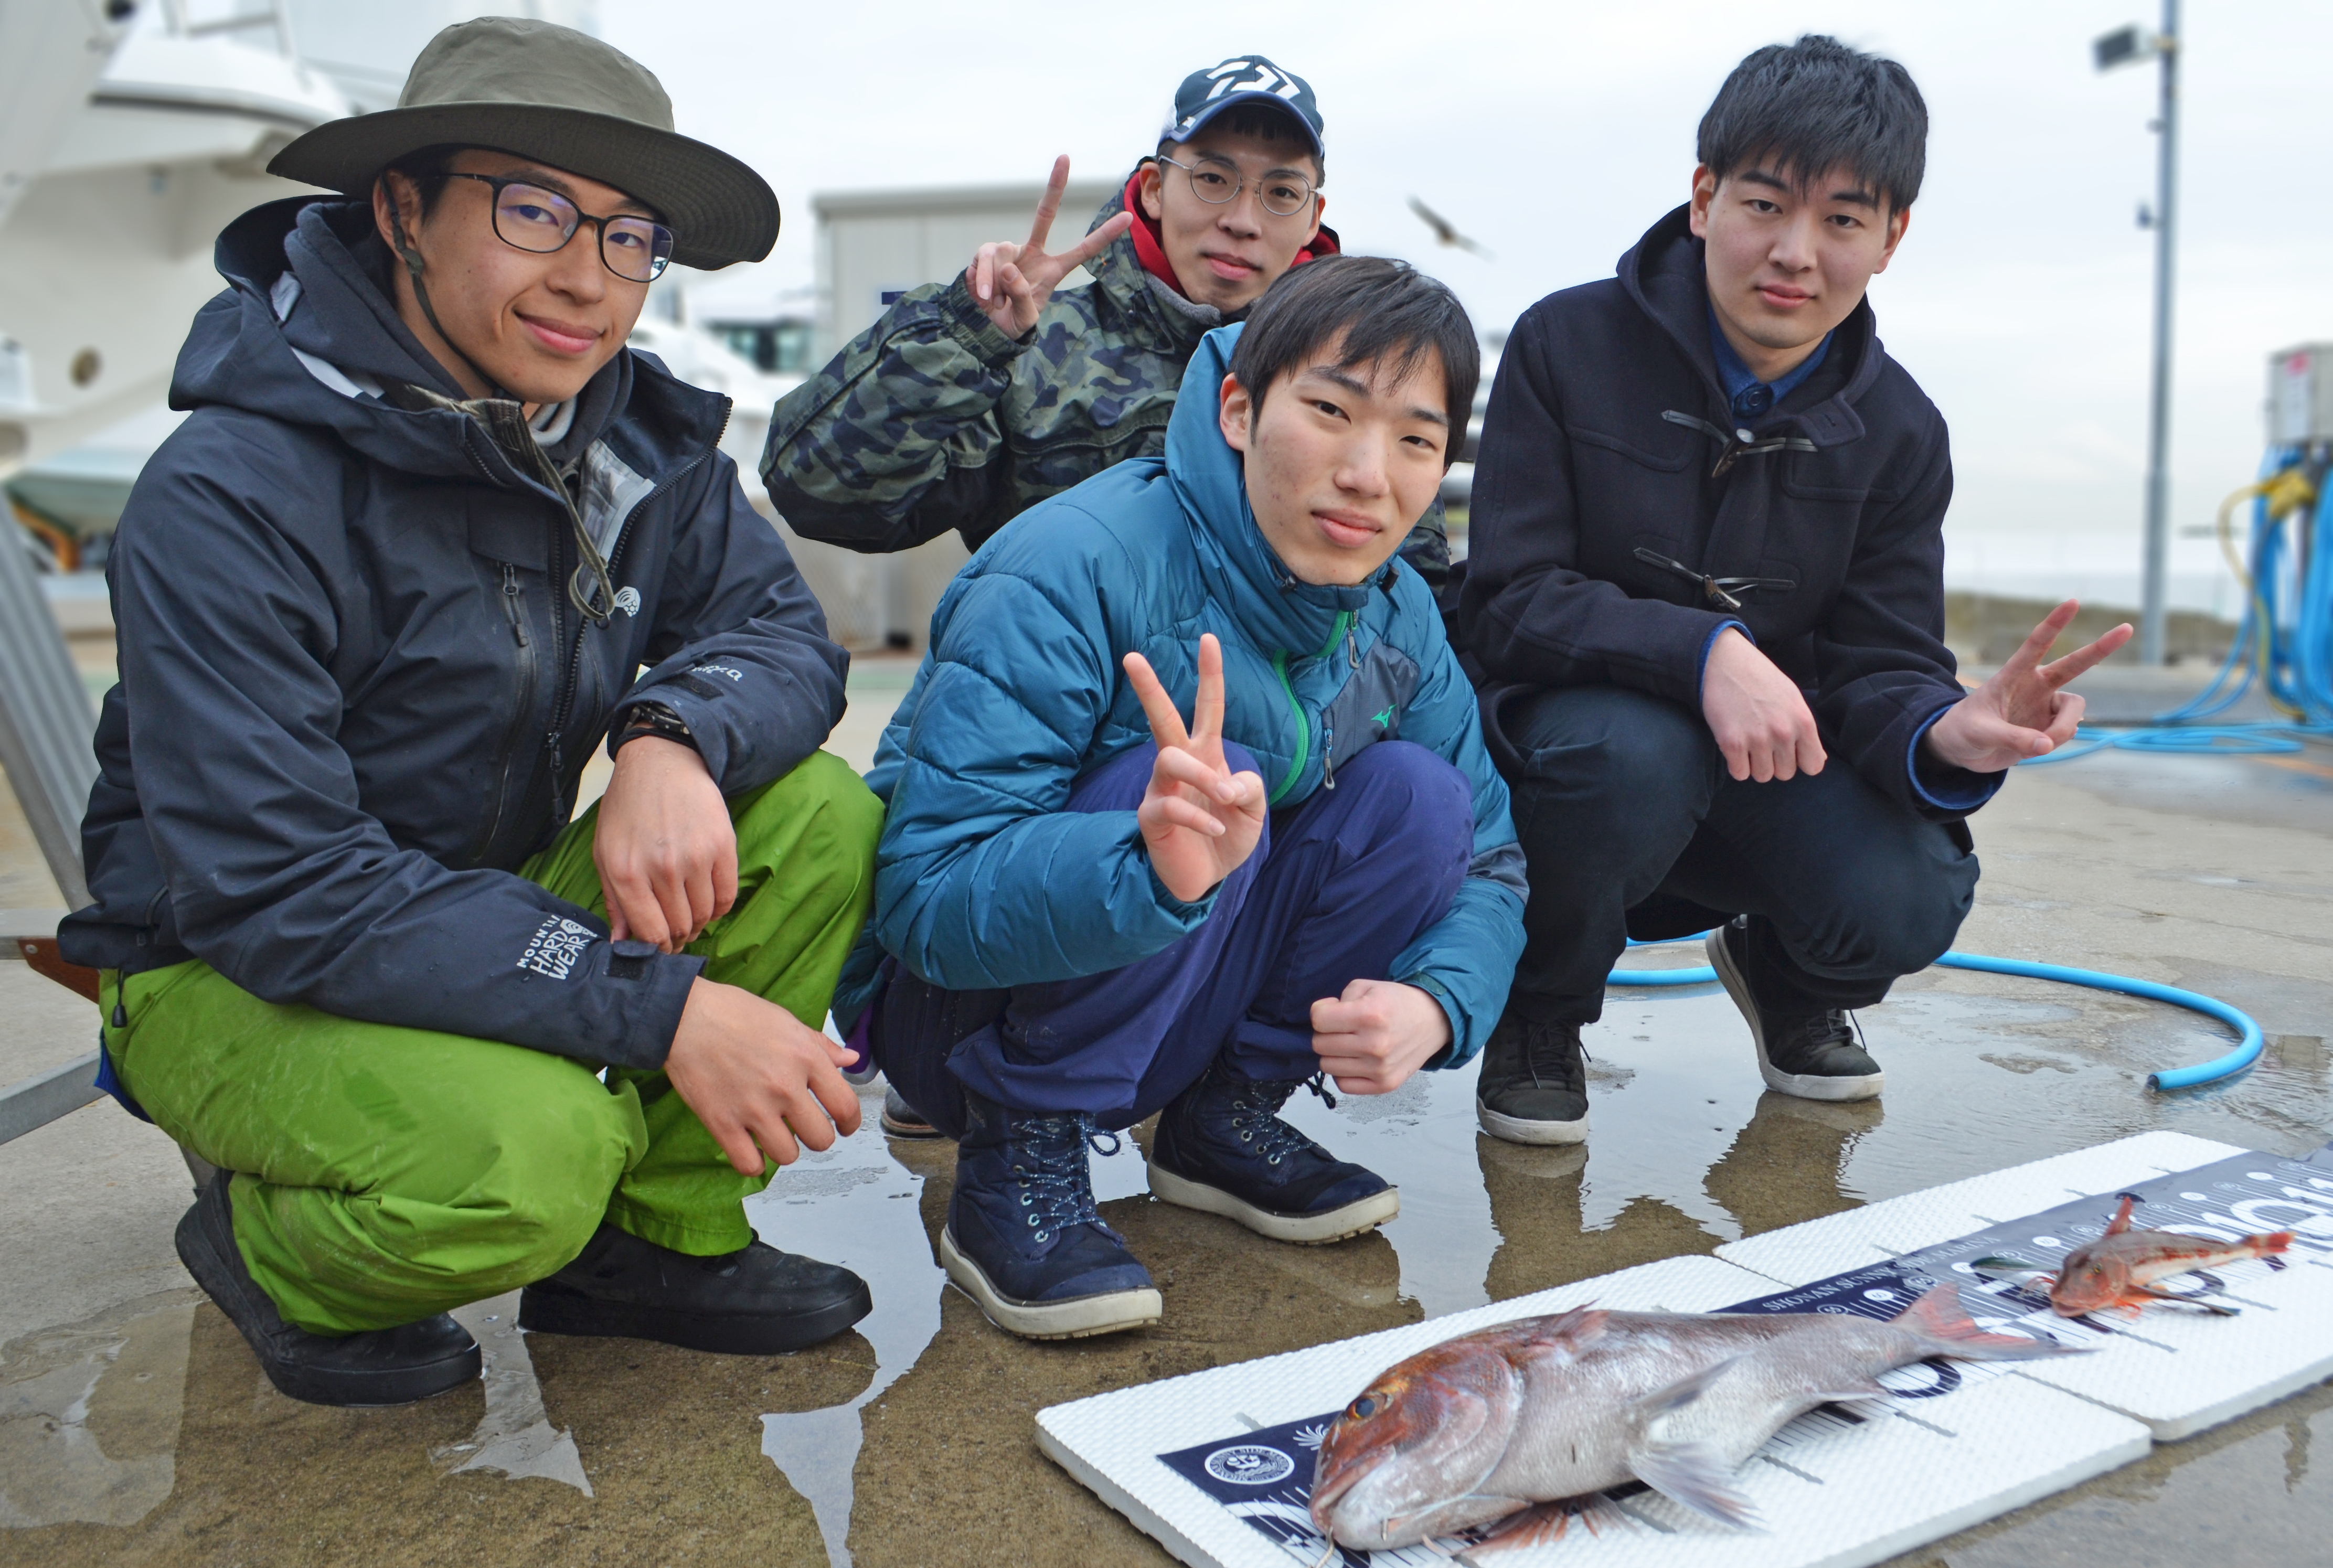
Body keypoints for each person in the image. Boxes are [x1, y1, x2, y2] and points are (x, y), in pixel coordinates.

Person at [58, 19, 885, 1409]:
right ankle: (275, 1251)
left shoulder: (633, 446)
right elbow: (282, 887)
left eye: (630, 236)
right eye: (533, 209)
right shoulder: (229, 490)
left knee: (814, 811)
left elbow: (783, 636)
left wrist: (670, 736)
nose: (588, 278)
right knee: (533, 1156)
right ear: (401, 210)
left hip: (474, 909)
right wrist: (661, 1009)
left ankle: (652, 1245)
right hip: (228, 961)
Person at [1447, 36, 2129, 1146]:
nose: (1795, 253)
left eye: (1843, 220)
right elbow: (1509, 596)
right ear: (1703, 197)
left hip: (1763, 772)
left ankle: (1788, 970)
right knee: (1630, 754)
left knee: (1911, 888)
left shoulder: (1902, 430)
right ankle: (1542, 1009)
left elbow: (1880, 661)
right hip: (1577, 760)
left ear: (1891, 237)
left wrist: (1945, 731)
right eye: (1764, 205)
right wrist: (1703, 650)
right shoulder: (1562, 341)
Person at [836, 255, 1524, 1340]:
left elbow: (1488, 856)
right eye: (1331, 411)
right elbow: (925, 896)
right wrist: (1144, 866)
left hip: (1185, 980)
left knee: (1420, 799)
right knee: (1203, 788)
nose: (1367, 473)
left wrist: (1440, 1001)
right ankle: (1017, 1152)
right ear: (1239, 410)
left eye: (1414, 439)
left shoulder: (1397, 610)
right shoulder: (1072, 561)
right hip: (960, 1015)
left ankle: (1222, 1118)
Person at [758, 54, 1448, 574]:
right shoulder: (1034, 352)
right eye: (1213, 179)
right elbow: (820, 498)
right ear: (1152, 189)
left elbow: (1413, 591)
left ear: (1313, 217)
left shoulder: (1361, 369)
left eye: (1281, 192)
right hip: (1064, 702)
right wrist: (968, 340)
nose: (1243, 219)